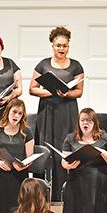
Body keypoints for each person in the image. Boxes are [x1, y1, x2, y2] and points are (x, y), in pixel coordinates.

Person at [29, 26, 84, 201]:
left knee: (66, 146)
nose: (61, 49)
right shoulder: (43, 64)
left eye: (65, 46)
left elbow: (79, 92)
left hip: (67, 111)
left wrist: (67, 93)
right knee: (47, 145)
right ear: (52, 45)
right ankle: (43, 195)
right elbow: (32, 89)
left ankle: (66, 194)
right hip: (48, 111)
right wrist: (52, 92)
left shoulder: (76, 65)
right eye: (58, 45)